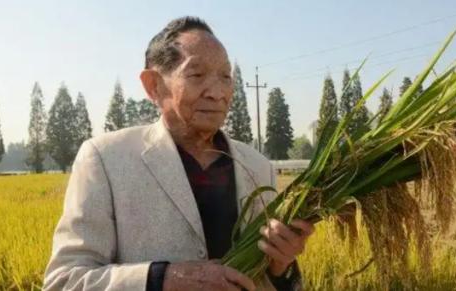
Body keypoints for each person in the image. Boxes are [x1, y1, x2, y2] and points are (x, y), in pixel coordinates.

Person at [43, 16, 315, 291]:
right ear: (154, 86)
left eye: (225, 77)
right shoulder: (106, 159)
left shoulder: (258, 167)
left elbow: (276, 280)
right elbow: (65, 280)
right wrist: (164, 279)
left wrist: (282, 267)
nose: (218, 93)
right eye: (197, 75)